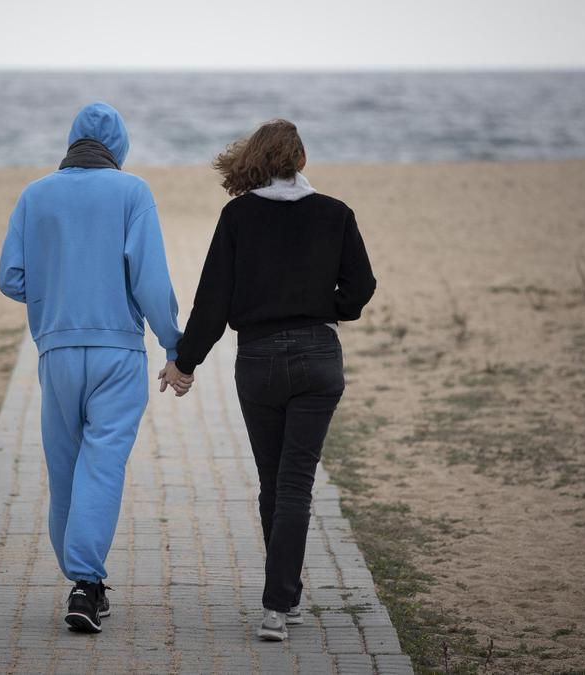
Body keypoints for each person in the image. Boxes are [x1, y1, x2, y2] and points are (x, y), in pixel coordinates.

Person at [170, 119, 376, 641]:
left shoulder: (238, 216)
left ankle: (279, 602)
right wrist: (327, 307)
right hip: (318, 359)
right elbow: (362, 286)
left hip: (258, 361)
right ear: (301, 161)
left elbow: (213, 301)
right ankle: (280, 601)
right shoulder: (336, 213)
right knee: (294, 485)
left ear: (255, 161)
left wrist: (185, 363)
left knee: (273, 481)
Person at [0, 101, 191, 634]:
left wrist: (58, 290)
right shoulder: (132, 192)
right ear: (119, 147)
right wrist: (175, 348)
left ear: (71, 140)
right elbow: (150, 281)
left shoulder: (35, 195)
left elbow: (10, 278)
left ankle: (81, 582)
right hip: (117, 354)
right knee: (102, 465)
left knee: (65, 469)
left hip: (56, 352)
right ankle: (86, 583)